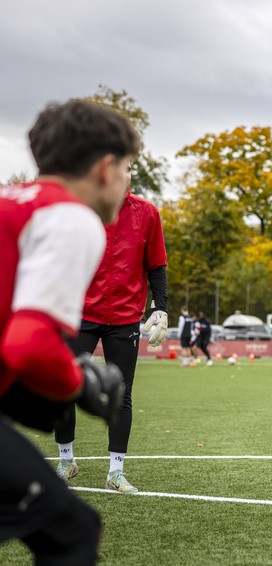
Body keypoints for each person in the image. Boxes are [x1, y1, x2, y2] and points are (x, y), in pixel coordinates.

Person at [0, 99, 137, 563]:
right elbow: (27, 345)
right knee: (72, 532)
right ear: (104, 168)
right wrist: (80, 382)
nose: (126, 182)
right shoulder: (71, 217)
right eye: (127, 168)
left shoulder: (9, 203)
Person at [53, 151, 169, 495]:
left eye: (129, 169)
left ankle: (115, 472)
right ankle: (65, 460)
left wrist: (160, 307)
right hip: (81, 313)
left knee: (122, 396)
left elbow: (157, 266)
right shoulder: (81, 210)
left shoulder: (148, 213)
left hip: (124, 318)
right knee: (62, 385)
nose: (124, 175)